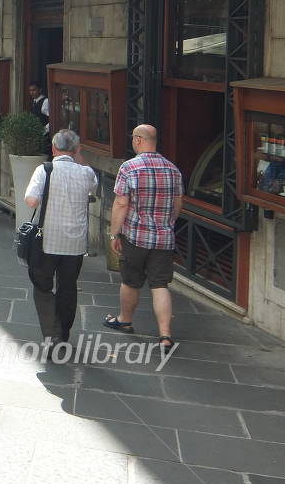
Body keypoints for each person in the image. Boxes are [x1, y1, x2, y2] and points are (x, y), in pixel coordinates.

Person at [104, 124, 183, 354]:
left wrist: (114, 232)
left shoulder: (129, 168)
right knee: (160, 284)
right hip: (163, 238)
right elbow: (178, 204)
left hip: (135, 236)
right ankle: (165, 334)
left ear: (138, 140)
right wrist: (168, 224)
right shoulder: (172, 169)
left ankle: (125, 320)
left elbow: (121, 203)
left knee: (130, 280)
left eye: (132, 138)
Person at [23, 129, 98, 348]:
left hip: (46, 240)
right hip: (75, 243)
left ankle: (52, 334)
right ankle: (63, 333)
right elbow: (93, 188)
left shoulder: (44, 169)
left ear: (54, 148)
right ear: (76, 149)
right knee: (68, 286)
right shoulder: (86, 172)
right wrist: (80, 159)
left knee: (42, 286)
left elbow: (30, 200)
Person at [28, 82, 51, 157]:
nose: (31, 93)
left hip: (44, 136)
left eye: (34, 90)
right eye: (30, 90)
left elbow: (51, 119)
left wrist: (44, 130)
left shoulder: (45, 102)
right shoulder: (34, 102)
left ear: (40, 90)